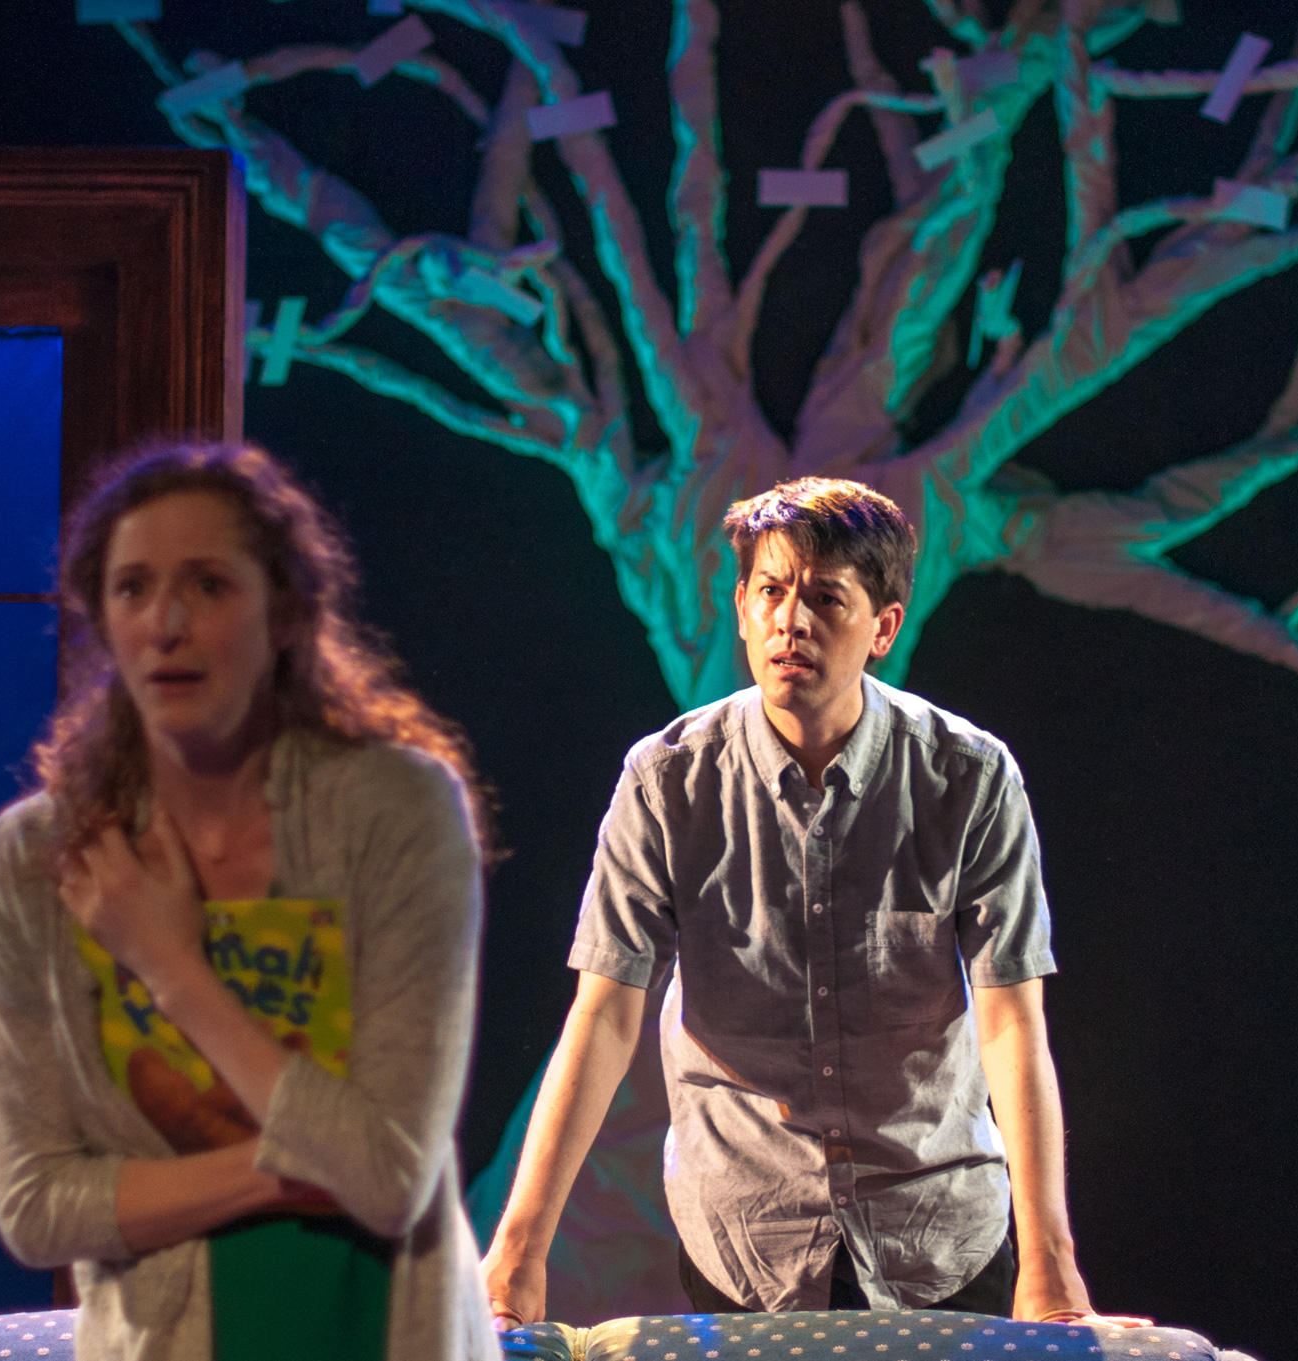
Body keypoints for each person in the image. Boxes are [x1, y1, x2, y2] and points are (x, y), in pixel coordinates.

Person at [482, 477, 1137, 1327]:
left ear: (883, 628)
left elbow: (1011, 1020)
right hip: (746, 1238)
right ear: (742, 609)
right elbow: (605, 1013)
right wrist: (518, 1251)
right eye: (770, 591)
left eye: (826, 597)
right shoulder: (667, 780)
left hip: (936, 1228)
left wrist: (1050, 1263)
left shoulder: (969, 776)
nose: (791, 620)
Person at [0, 441, 502, 1361]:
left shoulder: (397, 808)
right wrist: (297, 1168)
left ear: (285, 611)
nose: (165, 622)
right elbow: (37, 1204)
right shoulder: (34, 862)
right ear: (101, 618)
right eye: (133, 588)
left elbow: (390, 1182)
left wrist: (169, 965)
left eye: (208, 585)